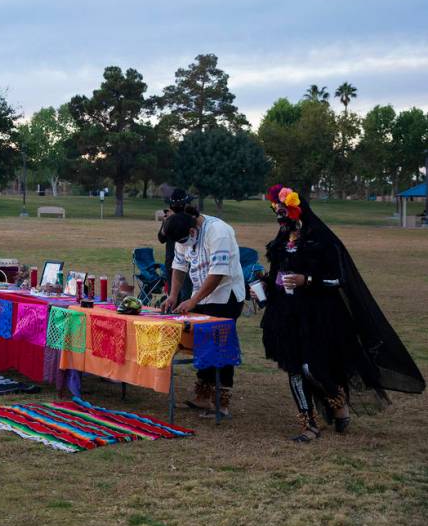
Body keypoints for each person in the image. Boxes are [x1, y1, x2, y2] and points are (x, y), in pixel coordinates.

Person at [261, 185, 424, 442]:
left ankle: (338, 401)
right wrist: (264, 284)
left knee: (311, 367)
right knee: (293, 367)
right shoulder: (282, 240)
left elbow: (339, 279)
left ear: (298, 211)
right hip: (287, 314)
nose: (282, 222)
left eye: (285, 214)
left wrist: (308, 280)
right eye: (277, 214)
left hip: (319, 315)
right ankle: (308, 424)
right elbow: (278, 276)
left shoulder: (323, 241)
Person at [162, 210, 246, 417]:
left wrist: (193, 301)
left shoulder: (218, 232)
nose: (183, 243)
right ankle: (202, 396)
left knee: (220, 347)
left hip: (226, 297)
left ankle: (221, 402)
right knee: (201, 343)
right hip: (201, 295)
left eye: (183, 239)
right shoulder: (183, 232)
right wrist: (173, 295)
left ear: (193, 230)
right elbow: (179, 266)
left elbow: (218, 273)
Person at [157, 189, 194, 299]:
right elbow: (161, 238)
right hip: (171, 261)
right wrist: (166, 222)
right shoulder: (169, 220)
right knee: (173, 296)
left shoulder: (189, 219)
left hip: (187, 261)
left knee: (186, 295)